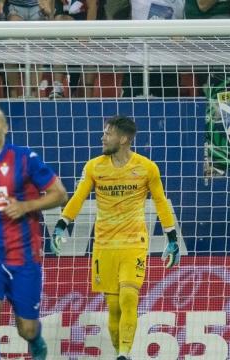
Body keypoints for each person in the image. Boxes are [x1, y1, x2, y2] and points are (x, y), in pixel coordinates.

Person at [52, 115, 180, 360]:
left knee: (129, 297)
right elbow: (78, 197)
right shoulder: (94, 166)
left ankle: (124, 354)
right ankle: (120, 352)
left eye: (108, 133)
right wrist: (61, 223)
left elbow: (161, 202)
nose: (102, 137)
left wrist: (171, 237)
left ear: (123, 139)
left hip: (134, 244)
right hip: (104, 245)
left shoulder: (147, 167)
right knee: (113, 308)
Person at [0, 104, 68, 359]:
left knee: (26, 328)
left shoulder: (25, 158)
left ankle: (35, 340)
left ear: (5, 128)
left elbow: (60, 194)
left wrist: (26, 205)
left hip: (24, 259)